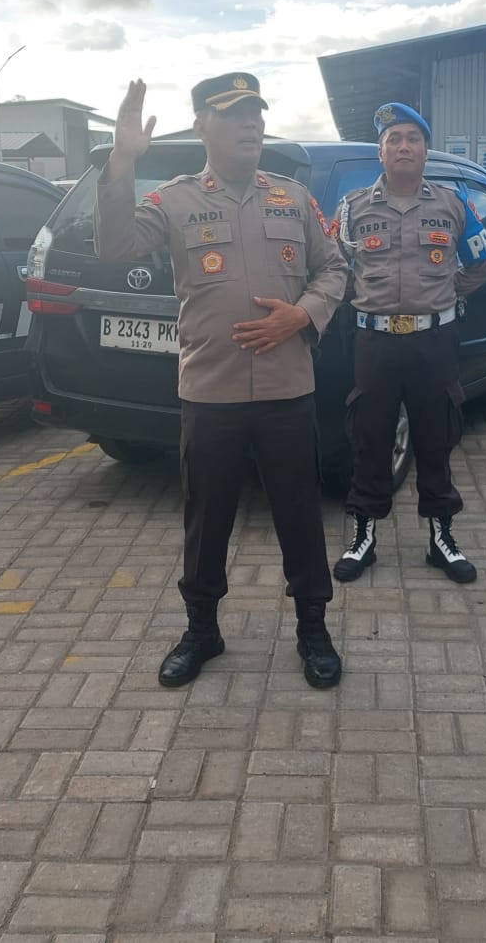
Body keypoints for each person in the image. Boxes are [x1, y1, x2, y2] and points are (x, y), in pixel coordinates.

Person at [93, 74, 348, 689]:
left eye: (256, 113)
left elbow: (334, 267)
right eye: (234, 115)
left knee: (299, 514)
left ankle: (313, 629)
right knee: (206, 519)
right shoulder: (174, 200)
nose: (251, 124)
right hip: (210, 393)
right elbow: (114, 246)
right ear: (201, 126)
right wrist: (122, 163)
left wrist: (303, 314)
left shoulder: (292, 198)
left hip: (287, 389)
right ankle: (201, 629)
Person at [333, 102, 486, 585]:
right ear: (380, 152)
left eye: (413, 139)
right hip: (375, 341)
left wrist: (440, 298)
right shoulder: (352, 208)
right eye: (394, 140)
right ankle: (363, 536)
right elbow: (334, 270)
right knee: (371, 437)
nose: (403, 147)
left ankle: (442, 538)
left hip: (434, 340)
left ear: (426, 150)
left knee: (436, 436)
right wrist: (365, 300)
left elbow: (481, 266)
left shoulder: (453, 205)